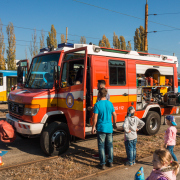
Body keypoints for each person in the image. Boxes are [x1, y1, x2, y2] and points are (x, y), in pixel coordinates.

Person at [91, 88, 117, 170]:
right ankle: (110, 162)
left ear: (99, 94)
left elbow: (95, 118)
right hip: (109, 128)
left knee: (101, 146)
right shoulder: (110, 104)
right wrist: (114, 124)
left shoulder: (97, 105)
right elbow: (115, 115)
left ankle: (102, 164)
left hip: (101, 128)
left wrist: (93, 127)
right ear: (106, 95)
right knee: (110, 145)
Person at [88, 80, 110, 159]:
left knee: (101, 140)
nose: (97, 86)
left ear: (100, 85)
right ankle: (106, 154)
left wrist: (92, 108)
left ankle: (101, 155)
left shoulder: (101, 94)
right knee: (107, 140)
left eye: (97, 84)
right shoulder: (106, 94)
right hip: (106, 120)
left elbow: (101, 107)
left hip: (101, 120)